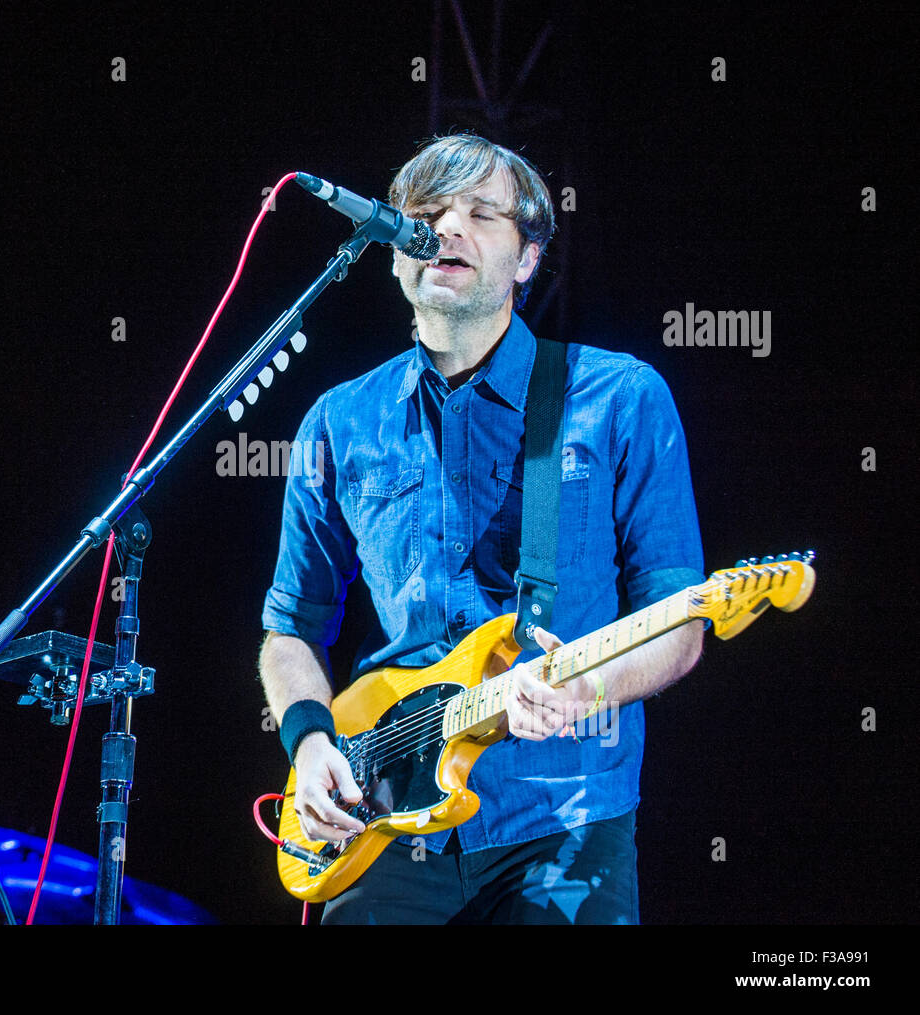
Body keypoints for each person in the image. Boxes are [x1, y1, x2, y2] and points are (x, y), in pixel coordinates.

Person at [259, 133, 705, 924]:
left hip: (563, 818)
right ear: (395, 252)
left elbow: (682, 618)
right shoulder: (340, 419)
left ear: (527, 256)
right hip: (386, 816)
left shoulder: (621, 396)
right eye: (426, 214)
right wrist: (310, 740)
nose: (447, 228)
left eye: (482, 213)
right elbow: (291, 626)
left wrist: (584, 692)